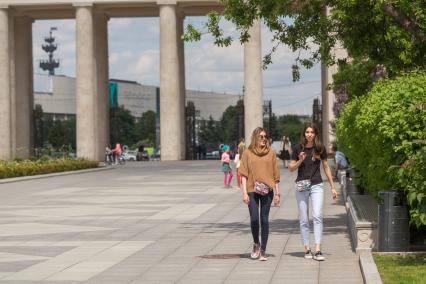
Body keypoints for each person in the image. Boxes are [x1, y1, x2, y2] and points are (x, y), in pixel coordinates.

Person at [289, 123, 337, 261]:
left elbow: (326, 167)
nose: (309, 134)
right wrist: (300, 160)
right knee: (304, 219)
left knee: (317, 216)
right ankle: (307, 248)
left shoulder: (320, 148)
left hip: (317, 185)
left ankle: (318, 250)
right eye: (307, 132)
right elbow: (291, 168)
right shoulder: (298, 148)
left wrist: (333, 186)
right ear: (304, 134)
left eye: (312, 132)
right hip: (302, 185)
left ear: (315, 134)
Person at [239, 127, 281, 261]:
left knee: (264, 220)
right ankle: (256, 244)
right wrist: (244, 193)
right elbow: (243, 174)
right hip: (252, 189)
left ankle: (263, 251)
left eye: (265, 136)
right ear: (255, 138)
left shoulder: (271, 153)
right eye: (260, 136)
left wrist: (277, 193)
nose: (263, 139)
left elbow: (276, 175)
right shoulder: (247, 153)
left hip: (267, 190)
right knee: (254, 219)